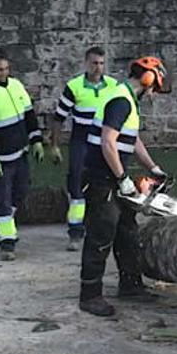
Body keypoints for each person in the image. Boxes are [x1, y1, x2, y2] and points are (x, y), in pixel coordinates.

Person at [79, 56, 171, 317]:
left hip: (112, 177)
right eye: (155, 87)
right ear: (148, 78)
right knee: (101, 234)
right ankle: (90, 295)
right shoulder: (120, 100)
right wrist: (122, 179)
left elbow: (132, 139)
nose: (154, 93)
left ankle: (130, 285)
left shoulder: (128, 100)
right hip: (101, 179)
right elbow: (108, 142)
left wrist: (153, 168)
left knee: (127, 232)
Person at [0, 48, 44, 260]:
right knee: (2, 199)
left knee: (20, 192)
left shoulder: (16, 85)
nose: (4, 73)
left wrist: (36, 140)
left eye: (6, 69)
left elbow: (29, 115)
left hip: (19, 153)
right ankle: (8, 243)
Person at [49, 47, 118, 251]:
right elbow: (59, 118)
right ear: (86, 63)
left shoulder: (113, 86)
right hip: (82, 142)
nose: (98, 67)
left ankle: (102, 229)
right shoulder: (74, 87)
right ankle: (75, 232)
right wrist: (54, 146)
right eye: (94, 63)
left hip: (103, 142)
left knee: (106, 184)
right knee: (78, 183)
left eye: (101, 63)